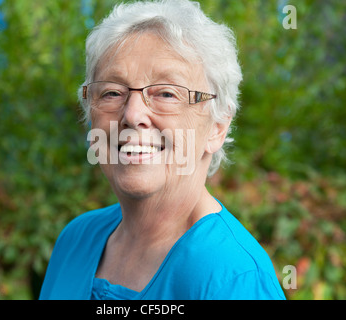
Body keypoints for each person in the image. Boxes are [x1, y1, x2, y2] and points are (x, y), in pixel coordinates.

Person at [39, 0, 285, 300]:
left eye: (167, 93)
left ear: (217, 126)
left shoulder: (232, 279)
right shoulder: (75, 240)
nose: (132, 115)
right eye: (112, 92)